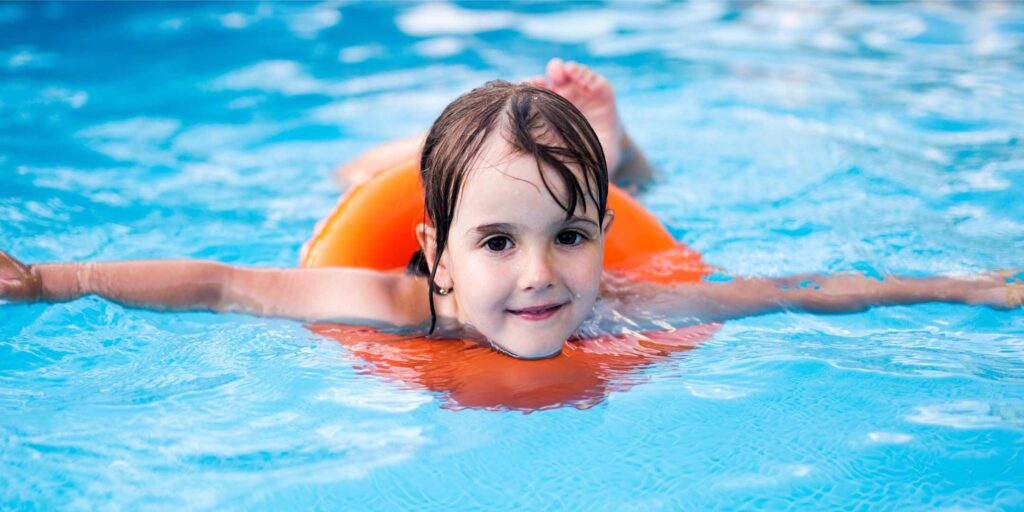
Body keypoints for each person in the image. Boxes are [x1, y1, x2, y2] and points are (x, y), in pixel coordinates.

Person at [1, 61, 1021, 360]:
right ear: (435, 257)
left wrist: (967, 285)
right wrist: (48, 280)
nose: (540, 274)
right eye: (498, 243)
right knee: (350, 178)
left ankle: (618, 161)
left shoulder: (625, 303)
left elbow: (804, 291)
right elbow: (225, 281)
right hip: (385, 205)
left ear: (599, 242)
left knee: (582, 186)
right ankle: (482, 159)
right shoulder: (395, 302)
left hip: (568, 197)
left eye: (570, 237)